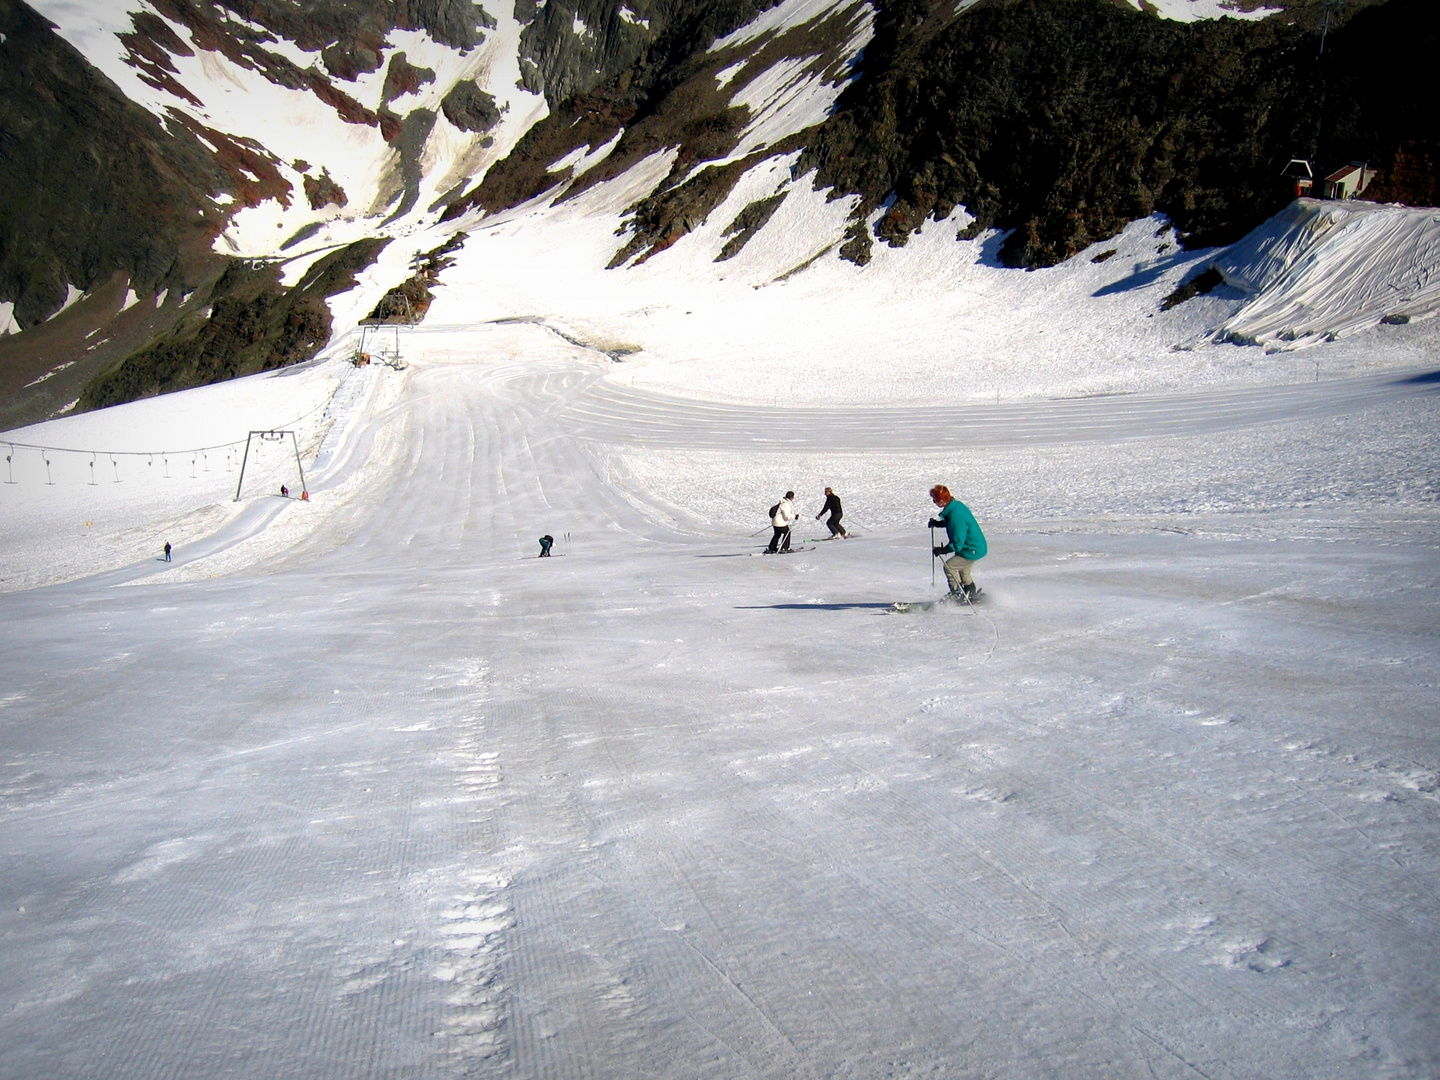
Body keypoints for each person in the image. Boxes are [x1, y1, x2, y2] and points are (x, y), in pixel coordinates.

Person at [928, 484, 987, 600]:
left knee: (950, 567)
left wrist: (942, 550)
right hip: (974, 547)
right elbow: (953, 523)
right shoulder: (955, 507)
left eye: (934, 500)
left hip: (971, 548)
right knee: (963, 570)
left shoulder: (956, 514)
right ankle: (970, 591)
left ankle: (957, 594)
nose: (934, 502)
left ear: (941, 501)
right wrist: (938, 523)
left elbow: (957, 543)